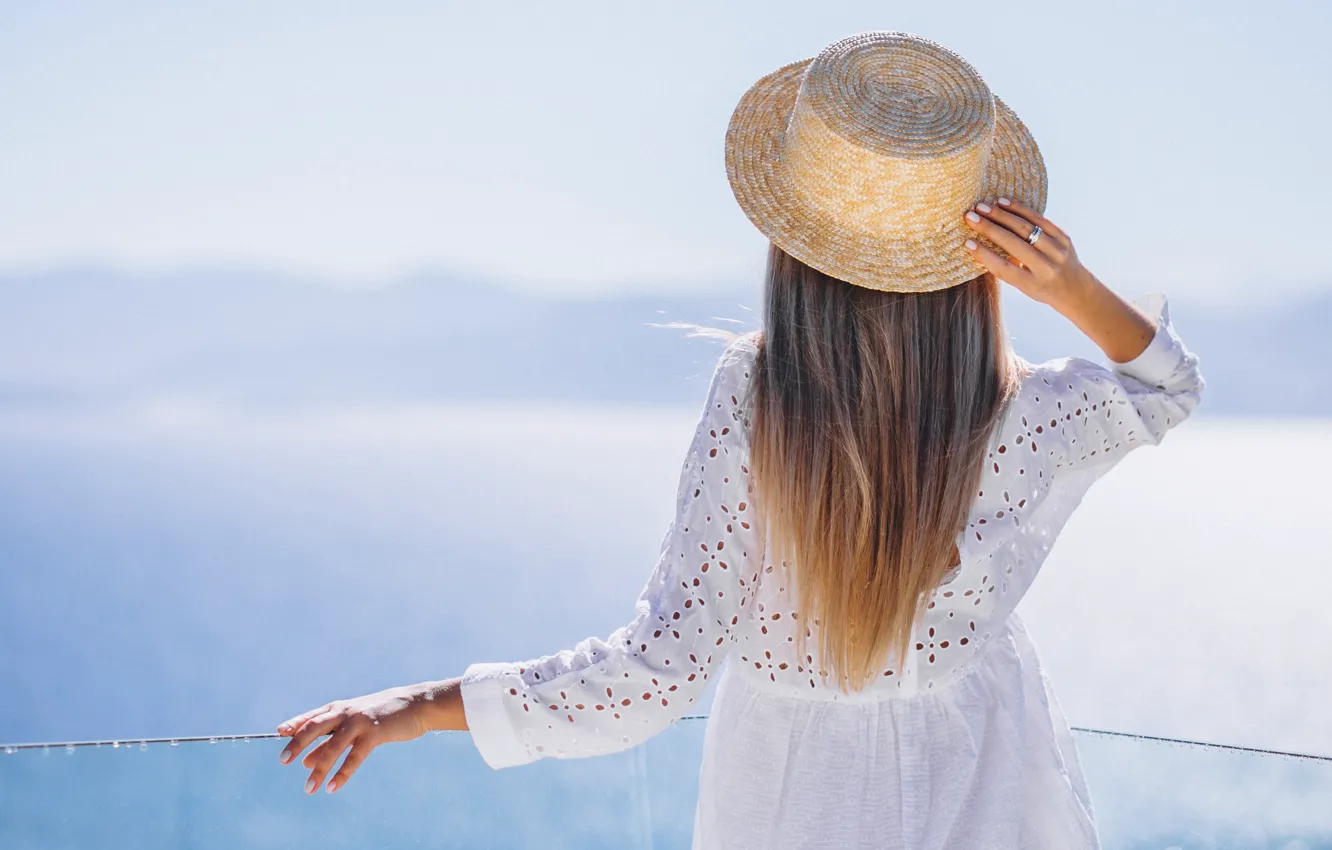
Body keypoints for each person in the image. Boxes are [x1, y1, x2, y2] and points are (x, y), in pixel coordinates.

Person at [276, 31, 1205, 848]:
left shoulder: (762, 396)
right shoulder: (1026, 415)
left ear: (792, 244)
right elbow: (1168, 387)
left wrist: (421, 709)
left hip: (791, 808)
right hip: (993, 800)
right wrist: (1070, 285)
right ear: (981, 258)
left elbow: (653, 674)